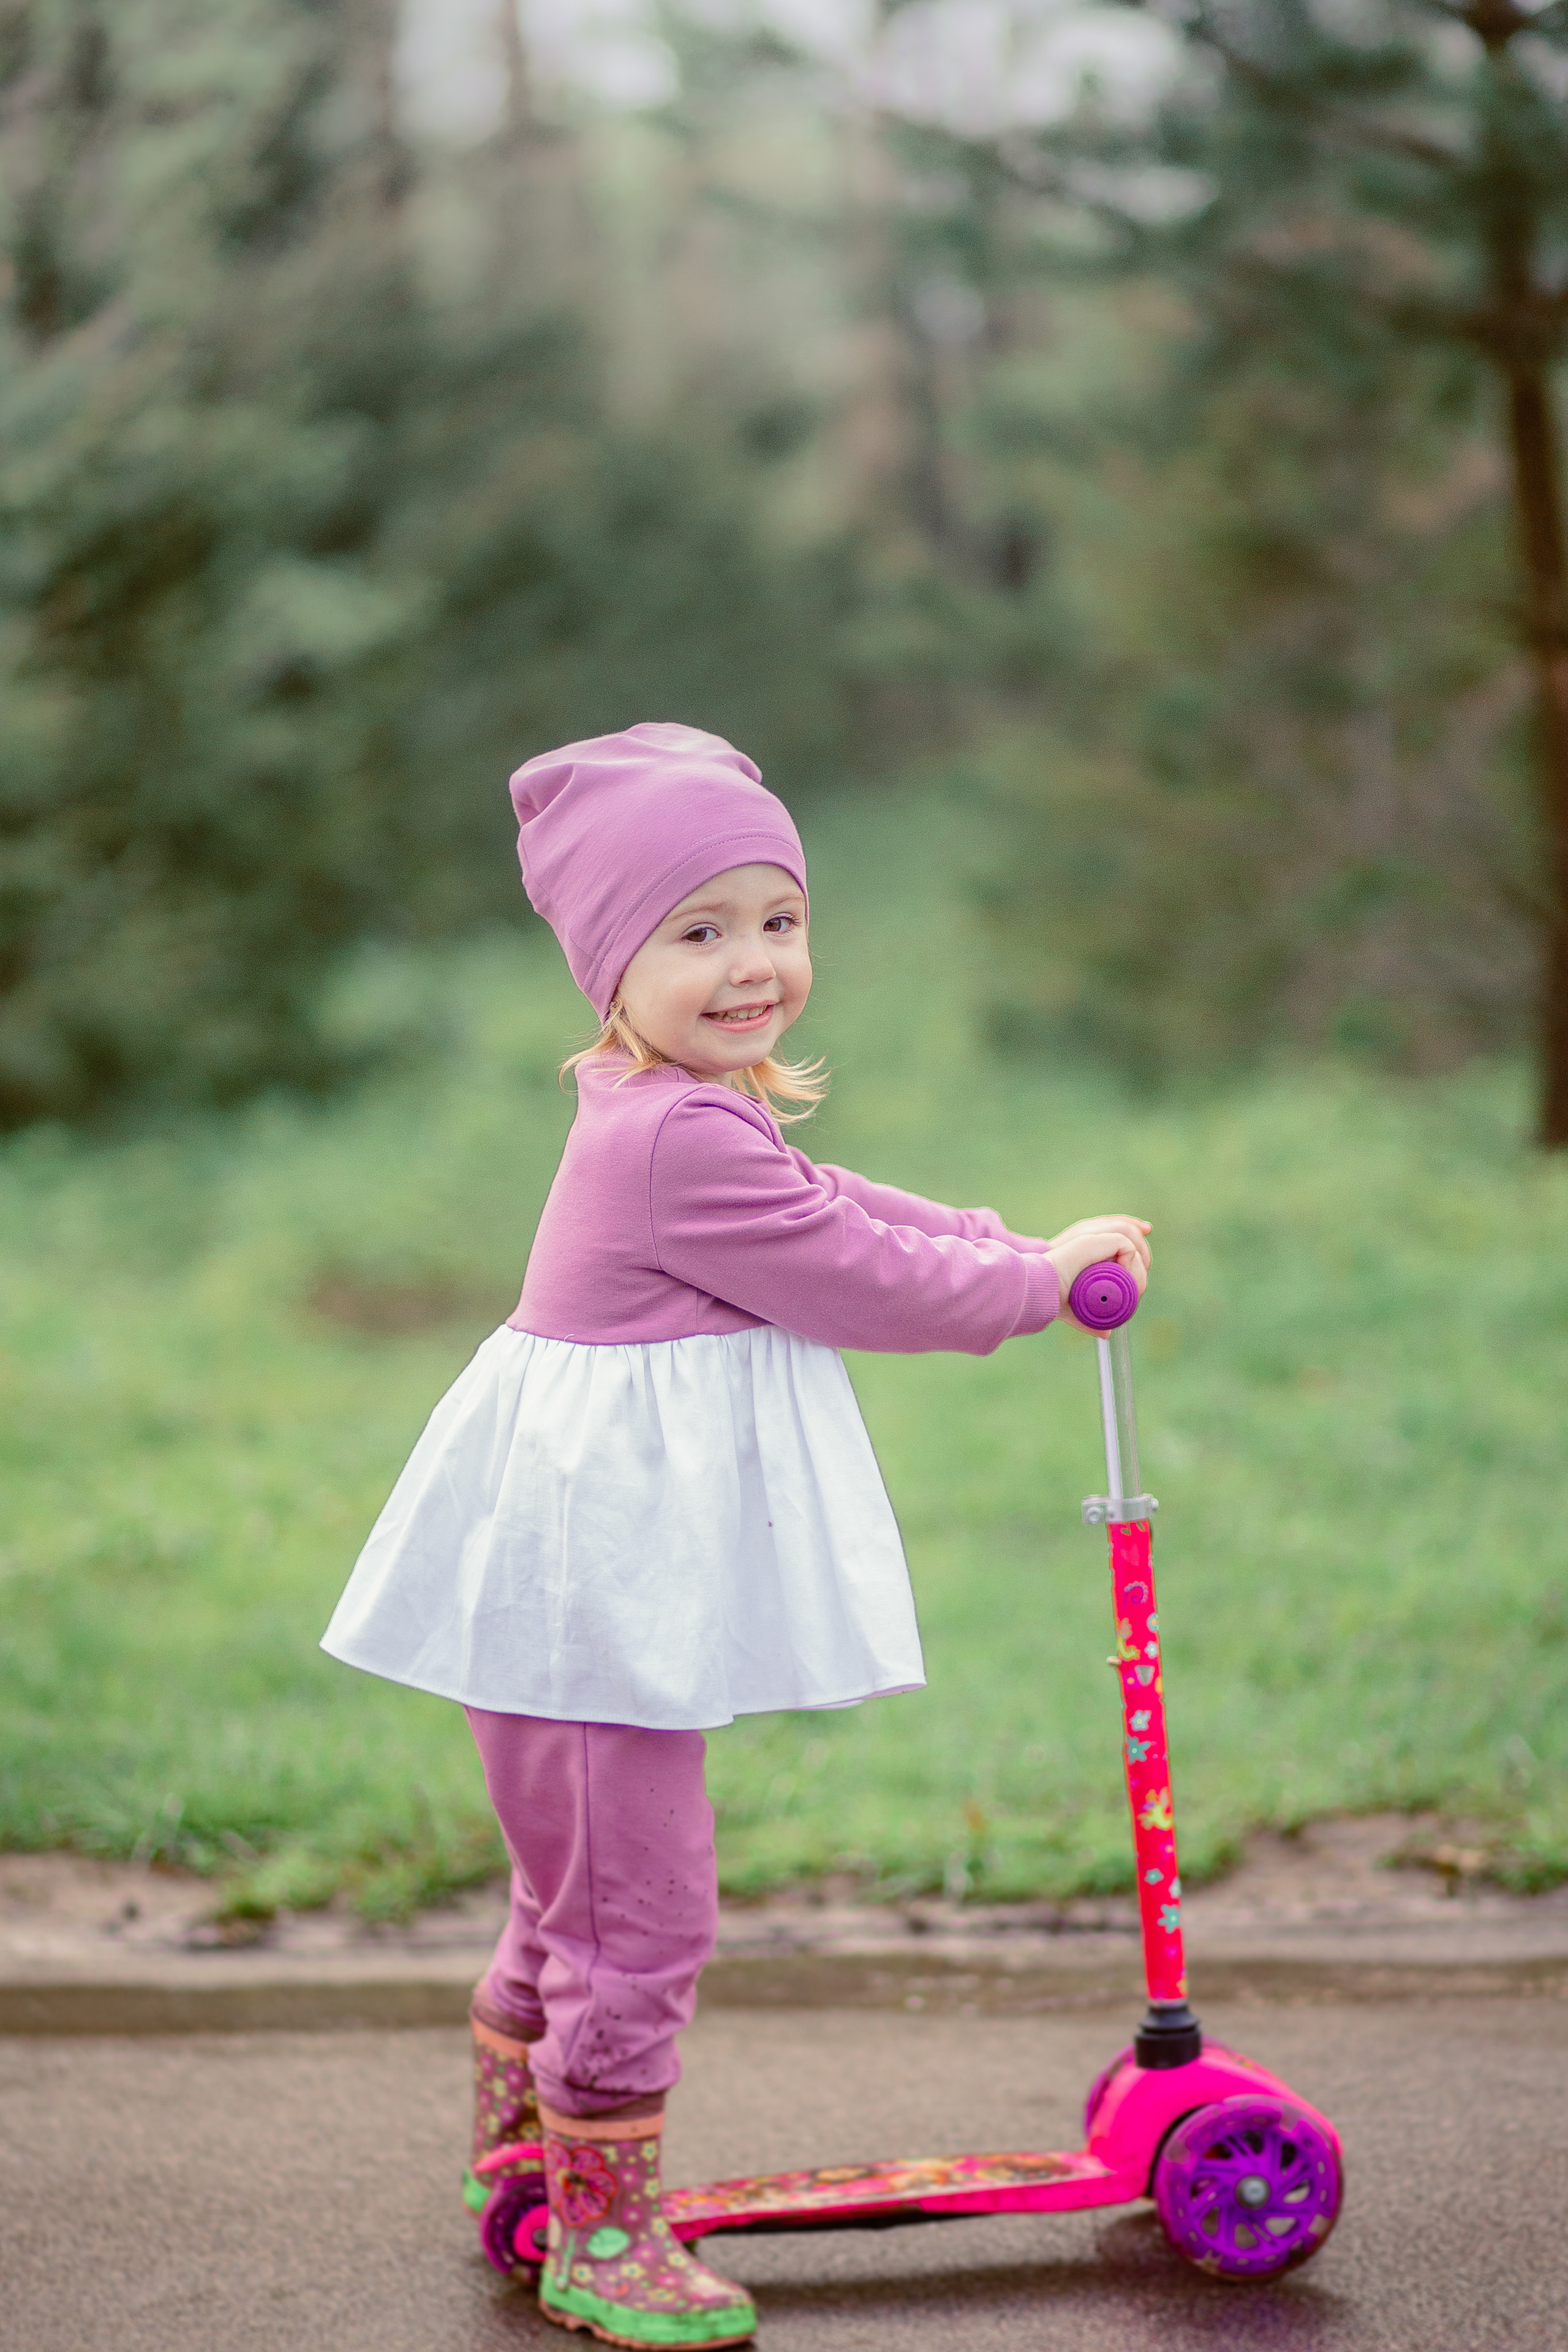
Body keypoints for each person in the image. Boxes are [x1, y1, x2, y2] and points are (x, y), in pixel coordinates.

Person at [322, 723, 1150, 2349]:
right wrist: (1036, 1285)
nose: (753, 964)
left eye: (777, 919)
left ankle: (529, 2156)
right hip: (589, 1601)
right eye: (696, 933)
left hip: (584, 1585)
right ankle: (602, 2239)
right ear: (606, 965)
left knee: (575, 1894)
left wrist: (1006, 1236)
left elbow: (841, 1205)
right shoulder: (675, 1141)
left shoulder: (680, 1104)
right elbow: (856, 1275)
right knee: (637, 1909)